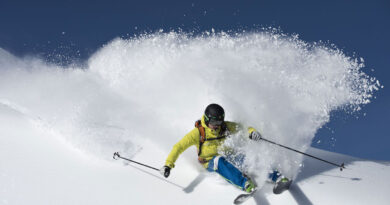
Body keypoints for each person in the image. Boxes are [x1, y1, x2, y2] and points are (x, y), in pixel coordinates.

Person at [160, 103, 288, 193]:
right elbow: (178, 147)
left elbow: (243, 128)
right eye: (215, 123)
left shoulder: (225, 126)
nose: (217, 126)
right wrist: (168, 165)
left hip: (227, 154)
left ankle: (277, 176)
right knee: (218, 161)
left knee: (246, 158)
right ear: (206, 119)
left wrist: (251, 132)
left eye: (220, 123)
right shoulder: (198, 133)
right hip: (209, 161)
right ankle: (245, 184)